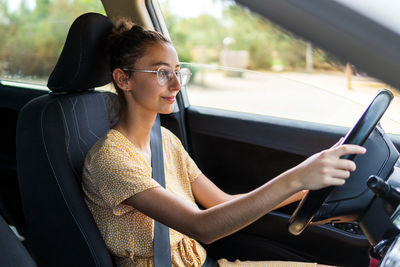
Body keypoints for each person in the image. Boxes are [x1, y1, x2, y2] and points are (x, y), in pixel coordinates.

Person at [81, 19, 366, 267]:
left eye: (177, 71)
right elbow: (201, 226)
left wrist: (311, 185)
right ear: (123, 79)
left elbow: (222, 203)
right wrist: (297, 176)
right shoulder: (111, 159)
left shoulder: (165, 140)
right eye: (161, 72)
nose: (177, 85)